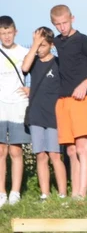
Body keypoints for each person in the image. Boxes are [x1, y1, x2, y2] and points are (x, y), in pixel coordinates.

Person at [50, 4, 87, 200]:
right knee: (71, 150)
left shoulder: (82, 40)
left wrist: (85, 84)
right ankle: (74, 194)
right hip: (62, 101)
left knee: (82, 147)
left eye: (64, 23)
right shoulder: (56, 41)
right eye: (58, 24)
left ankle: (82, 193)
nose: (62, 27)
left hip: (81, 99)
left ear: (72, 19)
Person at [20, 28, 67, 200]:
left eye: (43, 45)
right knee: (41, 155)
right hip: (36, 115)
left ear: (51, 45)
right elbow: (24, 67)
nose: (39, 49)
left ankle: (62, 194)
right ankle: (44, 194)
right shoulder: (33, 61)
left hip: (53, 116)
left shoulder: (58, 63)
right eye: (37, 45)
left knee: (55, 154)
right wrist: (34, 44)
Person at [0, 16, 30, 206]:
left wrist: (32, 89)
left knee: (16, 150)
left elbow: (40, 73)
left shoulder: (24, 52)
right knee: (1, 150)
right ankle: (1, 192)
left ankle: (15, 192)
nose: (6, 37)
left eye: (9, 32)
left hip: (19, 104)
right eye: (3, 33)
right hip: (0, 105)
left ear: (15, 32)